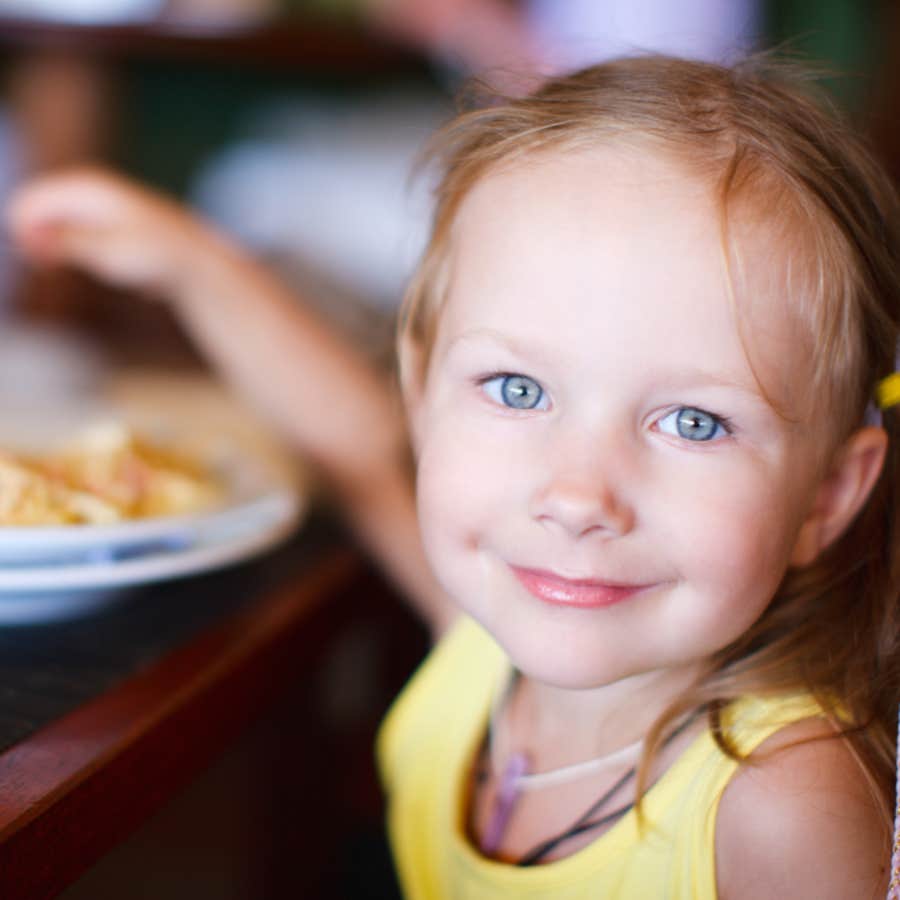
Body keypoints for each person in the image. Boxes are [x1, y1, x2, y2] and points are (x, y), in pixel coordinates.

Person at [7, 54, 899, 897]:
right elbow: (353, 446)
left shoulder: (783, 808)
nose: (578, 496)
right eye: (518, 388)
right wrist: (190, 265)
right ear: (423, 393)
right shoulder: (477, 652)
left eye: (693, 422)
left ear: (828, 496)